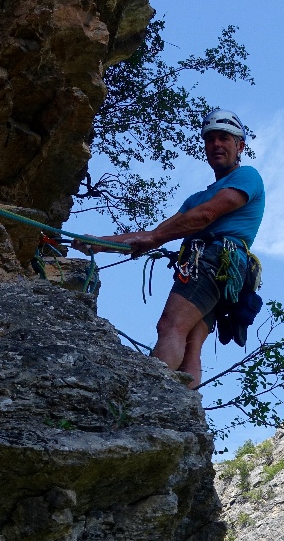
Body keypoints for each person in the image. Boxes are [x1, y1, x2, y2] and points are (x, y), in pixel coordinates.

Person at [74, 109, 265, 388]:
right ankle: (184, 410)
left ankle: (149, 394)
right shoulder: (195, 199)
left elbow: (206, 215)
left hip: (213, 260)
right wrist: (102, 243)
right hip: (221, 273)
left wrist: (156, 239)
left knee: (170, 326)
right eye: (210, 139)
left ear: (240, 146)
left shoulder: (247, 176)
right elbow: (155, 234)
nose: (216, 145)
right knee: (190, 343)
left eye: (224, 138)